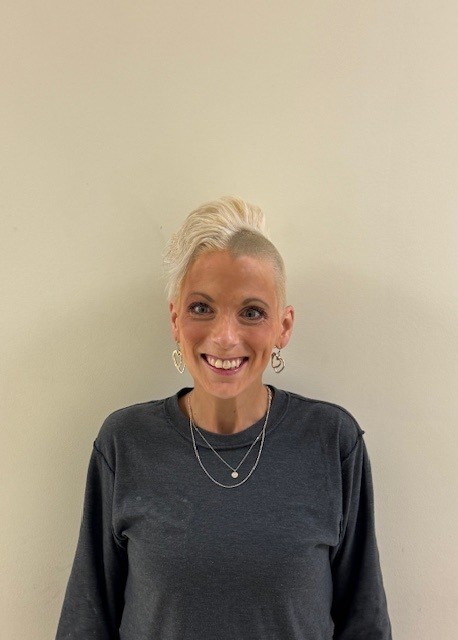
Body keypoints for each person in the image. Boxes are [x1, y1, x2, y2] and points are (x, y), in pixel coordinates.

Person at [56, 196, 392, 639]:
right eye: (202, 308)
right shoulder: (126, 442)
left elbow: (364, 622)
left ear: (283, 327)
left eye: (252, 312)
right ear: (175, 319)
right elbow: (87, 620)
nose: (225, 337)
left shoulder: (331, 441)